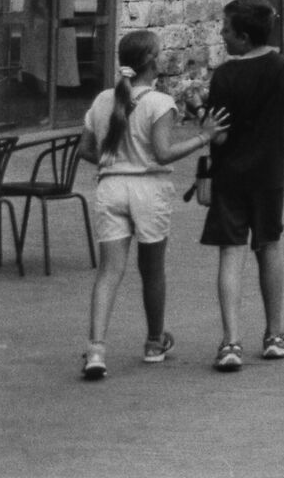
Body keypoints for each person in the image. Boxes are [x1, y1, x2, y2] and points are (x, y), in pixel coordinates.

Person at [77, 29, 229, 379]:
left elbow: (86, 150)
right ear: (150, 62)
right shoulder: (160, 103)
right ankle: (154, 340)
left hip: (111, 186)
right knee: (152, 269)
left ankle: (96, 349)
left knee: (108, 272)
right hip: (149, 188)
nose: (163, 59)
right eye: (160, 54)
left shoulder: (103, 100)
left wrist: (114, 159)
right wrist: (203, 136)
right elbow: (162, 152)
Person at [201, 0, 284, 373]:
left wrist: (202, 123)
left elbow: (216, 136)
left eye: (227, 29)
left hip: (229, 175)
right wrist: (274, 152)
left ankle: (231, 341)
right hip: (269, 175)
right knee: (269, 247)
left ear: (244, 37)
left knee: (230, 252)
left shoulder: (225, 76)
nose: (222, 34)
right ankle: (274, 335)